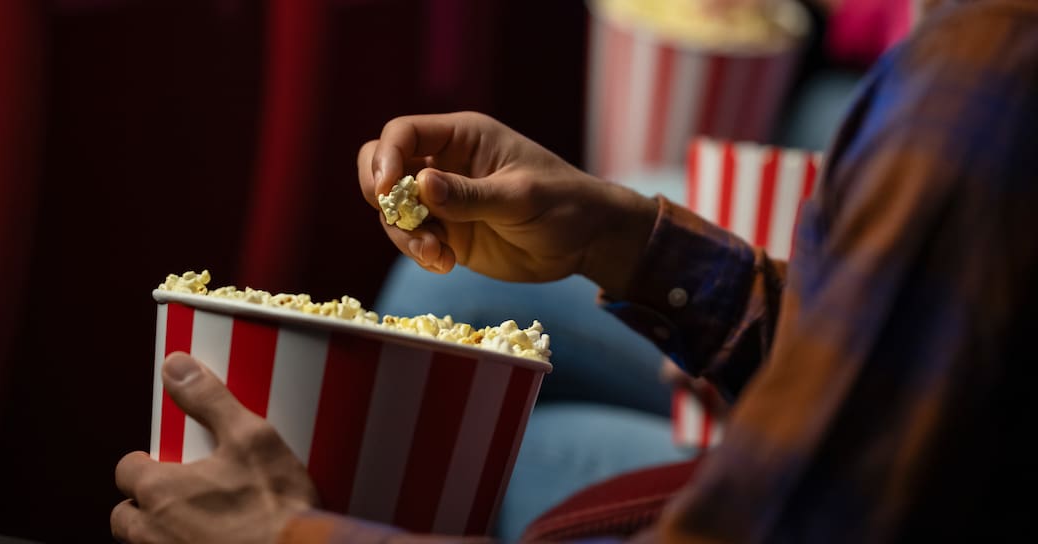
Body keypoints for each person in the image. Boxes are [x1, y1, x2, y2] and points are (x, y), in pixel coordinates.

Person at [108, 0, 1038, 542]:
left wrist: (293, 532)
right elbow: (914, 346)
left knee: (496, 461)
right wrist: (618, 238)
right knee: (451, 299)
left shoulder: (986, 76)